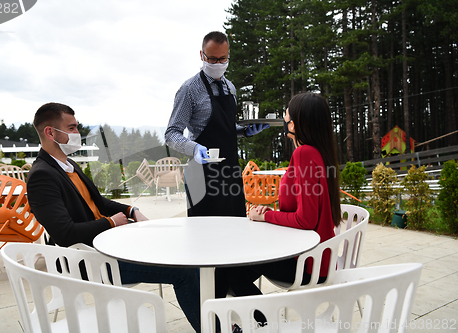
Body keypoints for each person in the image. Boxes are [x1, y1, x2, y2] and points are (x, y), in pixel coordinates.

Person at [27, 102, 201, 333]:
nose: (77, 134)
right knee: (185, 271)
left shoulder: (67, 165)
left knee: (179, 250)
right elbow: (65, 233)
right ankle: (212, 327)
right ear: (50, 132)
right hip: (90, 261)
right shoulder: (42, 176)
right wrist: (111, 222)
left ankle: (216, 318)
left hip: (110, 246)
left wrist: (131, 212)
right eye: (71, 128)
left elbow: (99, 203)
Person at [215, 92, 342, 325]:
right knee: (235, 268)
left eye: (287, 115)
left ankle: (267, 323)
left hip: (307, 264)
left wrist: (265, 217)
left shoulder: (304, 153)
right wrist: (270, 213)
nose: (284, 118)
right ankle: (261, 322)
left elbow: (306, 220)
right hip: (319, 257)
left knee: (229, 274)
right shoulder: (317, 152)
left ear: (296, 123)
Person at [165, 31, 269, 217]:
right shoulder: (189, 89)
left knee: (235, 230)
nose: (218, 64)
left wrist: (244, 132)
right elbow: (171, 134)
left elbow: (224, 128)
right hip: (201, 176)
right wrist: (195, 148)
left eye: (223, 59)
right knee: (205, 236)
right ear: (202, 55)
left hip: (230, 172)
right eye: (212, 59)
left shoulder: (230, 87)